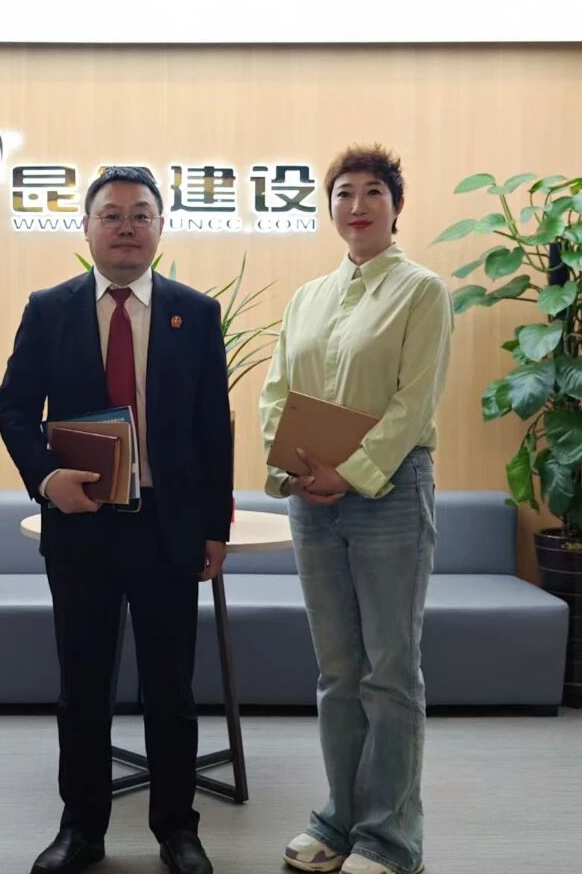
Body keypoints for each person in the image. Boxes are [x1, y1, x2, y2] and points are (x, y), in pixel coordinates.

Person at [0, 166, 232, 874]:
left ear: (161, 227)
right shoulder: (50, 309)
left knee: (171, 687)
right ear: (87, 226)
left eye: (140, 215)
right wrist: (46, 478)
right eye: (112, 215)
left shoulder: (196, 312)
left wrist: (214, 527)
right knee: (83, 686)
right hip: (82, 523)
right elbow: (14, 409)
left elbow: (213, 427)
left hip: (167, 525)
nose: (127, 227)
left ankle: (177, 829)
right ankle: (81, 828)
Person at [259, 146, 452, 874]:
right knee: (338, 672)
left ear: (396, 206)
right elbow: (276, 392)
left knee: (390, 673)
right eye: (343, 192)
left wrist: (353, 472)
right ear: (330, 208)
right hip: (312, 499)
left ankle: (390, 839)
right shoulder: (308, 296)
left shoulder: (422, 291)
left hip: (391, 494)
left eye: (374, 191)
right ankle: (340, 820)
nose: (358, 204)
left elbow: (413, 404)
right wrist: (293, 470)